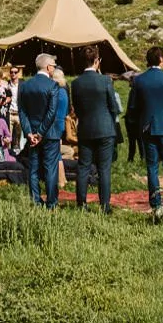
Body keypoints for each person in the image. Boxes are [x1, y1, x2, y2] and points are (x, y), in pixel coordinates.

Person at [127, 46, 163, 210]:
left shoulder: (139, 80)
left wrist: (143, 116)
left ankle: (155, 202)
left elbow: (132, 106)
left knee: (152, 166)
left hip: (147, 127)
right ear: (161, 59)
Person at [70, 45, 120, 213]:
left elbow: (76, 108)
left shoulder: (75, 83)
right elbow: (113, 106)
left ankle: (81, 203)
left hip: (85, 128)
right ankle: (104, 205)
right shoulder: (105, 80)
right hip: (105, 127)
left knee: (83, 167)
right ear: (97, 61)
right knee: (104, 168)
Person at [18, 53, 64, 209]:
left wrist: (29, 132)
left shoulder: (24, 86)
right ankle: (52, 203)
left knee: (34, 169)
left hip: (32, 134)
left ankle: (36, 202)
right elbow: (51, 113)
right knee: (51, 169)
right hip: (49, 133)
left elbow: (22, 111)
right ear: (49, 67)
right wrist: (41, 132)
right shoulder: (53, 86)